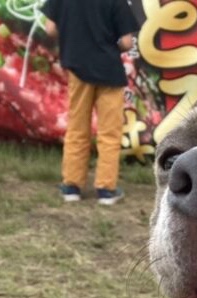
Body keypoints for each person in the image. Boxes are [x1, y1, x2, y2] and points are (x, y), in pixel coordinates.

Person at [42, 0, 140, 205]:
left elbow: (50, 29)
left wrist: (74, 35)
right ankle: (106, 190)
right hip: (109, 70)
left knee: (77, 128)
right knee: (109, 133)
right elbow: (127, 42)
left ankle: (71, 187)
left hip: (77, 67)